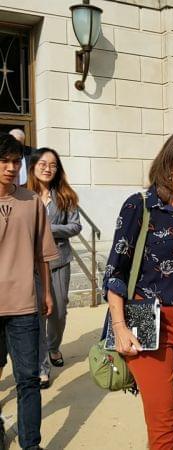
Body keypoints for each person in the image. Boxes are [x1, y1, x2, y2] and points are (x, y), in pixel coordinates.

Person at [102, 129, 173, 450]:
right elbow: (115, 272)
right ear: (169, 165)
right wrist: (120, 327)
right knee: (163, 417)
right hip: (146, 320)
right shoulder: (140, 205)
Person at [0, 133, 57, 450]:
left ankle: (31, 444)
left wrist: (46, 293)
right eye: (4, 161)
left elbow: (42, 255)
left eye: (15, 162)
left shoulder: (32, 202)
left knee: (28, 379)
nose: (10, 168)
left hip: (23, 304)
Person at [26, 148, 82, 389]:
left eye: (53, 165)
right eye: (43, 163)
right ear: (34, 166)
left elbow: (75, 226)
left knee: (58, 312)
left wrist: (49, 229)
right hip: (29, 265)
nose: (48, 168)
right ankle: (42, 368)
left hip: (59, 261)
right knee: (37, 315)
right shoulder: (23, 196)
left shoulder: (65, 195)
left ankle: (53, 346)